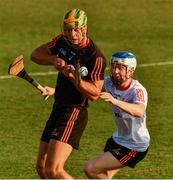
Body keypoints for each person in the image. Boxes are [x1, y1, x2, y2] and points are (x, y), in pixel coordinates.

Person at [30, 8, 106, 179]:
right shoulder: (62, 41)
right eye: (67, 29)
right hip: (58, 107)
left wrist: (74, 78)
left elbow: (94, 94)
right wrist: (53, 60)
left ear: (84, 28)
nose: (72, 34)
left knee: (54, 170)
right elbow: (35, 55)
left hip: (74, 111)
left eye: (76, 29)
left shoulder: (95, 57)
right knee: (41, 168)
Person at [84, 51, 150, 179]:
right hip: (118, 139)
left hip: (134, 145)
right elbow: (87, 89)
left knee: (91, 168)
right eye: (114, 66)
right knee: (103, 175)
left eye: (120, 68)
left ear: (131, 70)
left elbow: (139, 110)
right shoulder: (108, 83)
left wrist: (115, 101)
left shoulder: (137, 90)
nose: (115, 71)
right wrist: (54, 90)